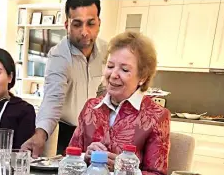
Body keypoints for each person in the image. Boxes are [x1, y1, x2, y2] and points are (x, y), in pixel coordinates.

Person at [69, 31, 171, 174]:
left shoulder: (157, 116)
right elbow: (69, 157)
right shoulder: (91, 107)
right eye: (110, 66)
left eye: (124, 69)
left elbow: (157, 173)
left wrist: (125, 169)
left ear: (142, 76)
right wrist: (84, 156)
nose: (113, 75)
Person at [21, 0, 108, 158]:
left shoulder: (106, 51)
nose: (84, 32)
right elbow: (52, 99)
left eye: (91, 23)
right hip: (68, 134)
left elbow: (104, 89)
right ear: (67, 25)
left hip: (99, 133)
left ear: (99, 23)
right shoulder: (58, 56)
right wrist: (40, 135)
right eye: (77, 24)